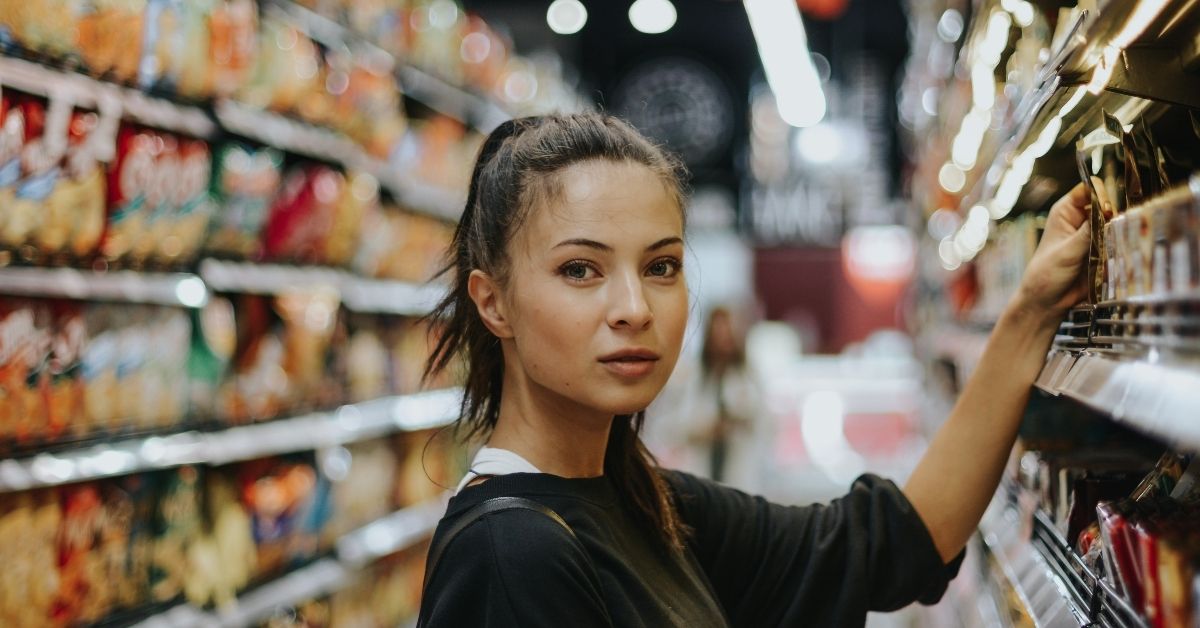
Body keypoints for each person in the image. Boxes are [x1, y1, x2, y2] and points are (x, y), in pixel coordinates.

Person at [416, 113, 1091, 627]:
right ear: (493, 301)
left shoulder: (649, 503)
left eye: (661, 267)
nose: (633, 308)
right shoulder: (512, 554)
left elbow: (894, 542)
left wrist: (1032, 311)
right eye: (580, 270)